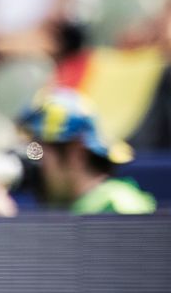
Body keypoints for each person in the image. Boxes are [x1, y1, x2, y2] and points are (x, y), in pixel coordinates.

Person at [16, 90, 155, 214]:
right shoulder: (82, 209)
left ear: (77, 153)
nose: (36, 165)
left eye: (38, 153)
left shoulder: (117, 208)